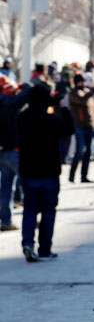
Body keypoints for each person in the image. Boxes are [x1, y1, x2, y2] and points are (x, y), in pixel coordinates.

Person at [17, 81, 75, 261]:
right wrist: (63, 108)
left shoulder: (22, 118)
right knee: (48, 211)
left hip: (28, 171)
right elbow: (69, 130)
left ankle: (27, 243)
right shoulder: (50, 119)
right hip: (49, 172)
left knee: (30, 209)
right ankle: (44, 249)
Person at [0, 75, 31, 232]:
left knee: (5, 189)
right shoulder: (8, 103)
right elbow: (28, 93)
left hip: (3, 151)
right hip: (15, 150)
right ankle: (32, 219)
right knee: (30, 186)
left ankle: (5, 221)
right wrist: (23, 87)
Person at [68, 73, 94, 183]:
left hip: (90, 126)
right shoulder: (74, 93)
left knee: (88, 152)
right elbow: (81, 100)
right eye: (81, 82)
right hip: (80, 126)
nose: (83, 84)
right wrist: (92, 91)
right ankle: (72, 175)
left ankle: (84, 176)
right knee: (79, 152)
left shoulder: (87, 92)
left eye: (83, 81)